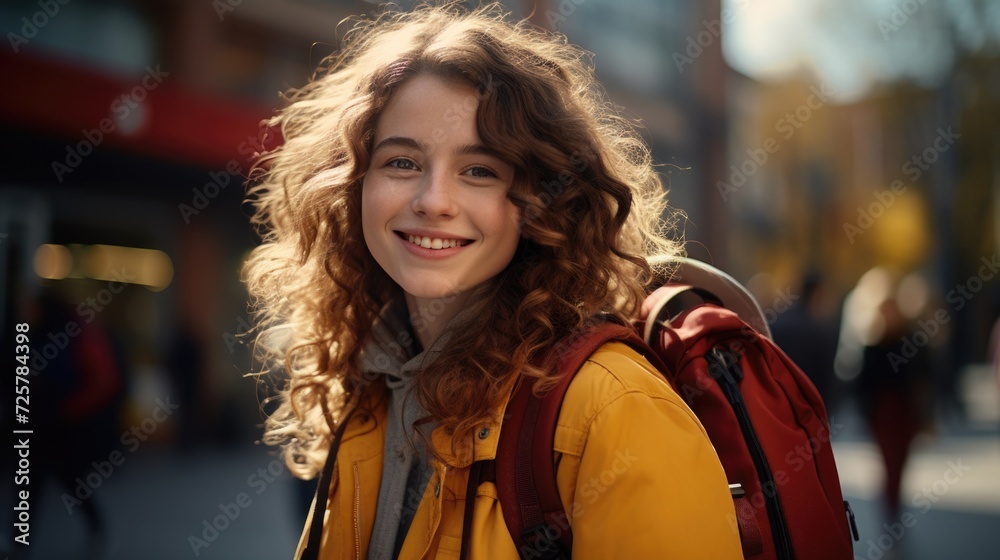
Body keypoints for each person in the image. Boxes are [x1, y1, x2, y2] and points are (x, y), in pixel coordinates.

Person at [242, 3, 742, 558]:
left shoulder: (616, 409)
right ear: (354, 184)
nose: (433, 201)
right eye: (401, 162)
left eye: (479, 170)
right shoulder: (370, 385)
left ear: (542, 203)